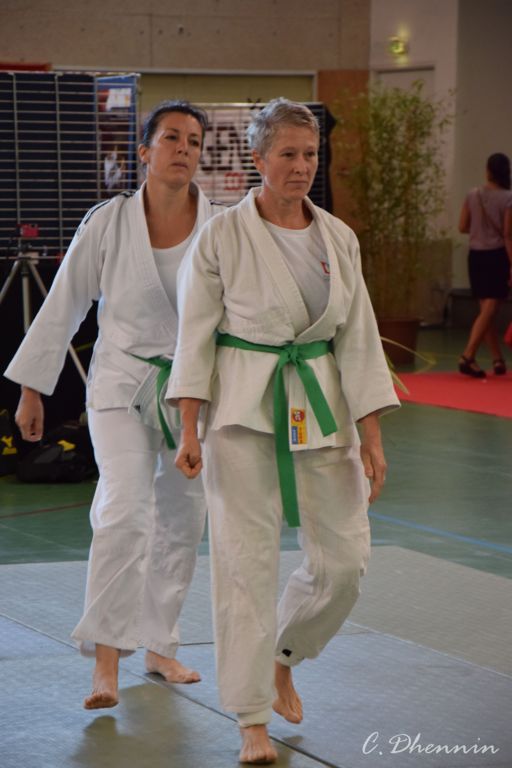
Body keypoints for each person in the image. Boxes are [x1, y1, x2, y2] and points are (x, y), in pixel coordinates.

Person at [168, 98, 400, 764]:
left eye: (311, 154)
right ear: (258, 159)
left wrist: (372, 437)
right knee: (245, 567)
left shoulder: (338, 236)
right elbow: (194, 337)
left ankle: (284, 653)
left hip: (322, 411)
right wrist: (189, 428)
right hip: (242, 413)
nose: (301, 166)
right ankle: (250, 718)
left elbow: (359, 340)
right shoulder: (221, 236)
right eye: (289, 154)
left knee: (345, 563)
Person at [4, 100, 225, 710]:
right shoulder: (108, 221)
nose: (184, 149)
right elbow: (65, 302)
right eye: (172, 138)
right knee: (125, 509)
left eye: (194, 141)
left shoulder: (221, 226)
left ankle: (159, 644)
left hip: (190, 390)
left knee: (183, 519)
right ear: (145, 151)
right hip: (121, 385)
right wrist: (32, 388)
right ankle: (106, 659)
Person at [458, 152, 512, 377]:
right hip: (496, 255)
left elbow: (462, 226)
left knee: (485, 310)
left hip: (475, 255)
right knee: (490, 308)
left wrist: (480, 230)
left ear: (488, 170)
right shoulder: (508, 198)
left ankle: (497, 359)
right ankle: (468, 355)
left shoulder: (473, 194)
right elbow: (507, 234)